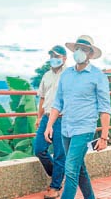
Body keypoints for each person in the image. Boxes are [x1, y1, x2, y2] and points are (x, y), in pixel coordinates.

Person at [44, 35, 111, 199]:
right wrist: (49, 125)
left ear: (90, 53)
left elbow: (104, 108)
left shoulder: (97, 76)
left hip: (84, 129)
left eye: (84, 49)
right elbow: (57, 102)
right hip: (66, 128)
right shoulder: (66, 75)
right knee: (79, 168)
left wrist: (104, 136)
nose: (79, 52)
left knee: (71, 169)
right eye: (77, 49)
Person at [34, 45, 67, 199]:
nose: (54, 59)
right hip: (46, 117)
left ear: (64, 58)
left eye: (57, 56)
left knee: (60, 153)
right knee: (39, 149)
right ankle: (57, 175)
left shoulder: (69, 75)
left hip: (62, 118)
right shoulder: (46, 75)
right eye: (52, 56)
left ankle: (55, 187)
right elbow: (42, 97)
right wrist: (39, 117)